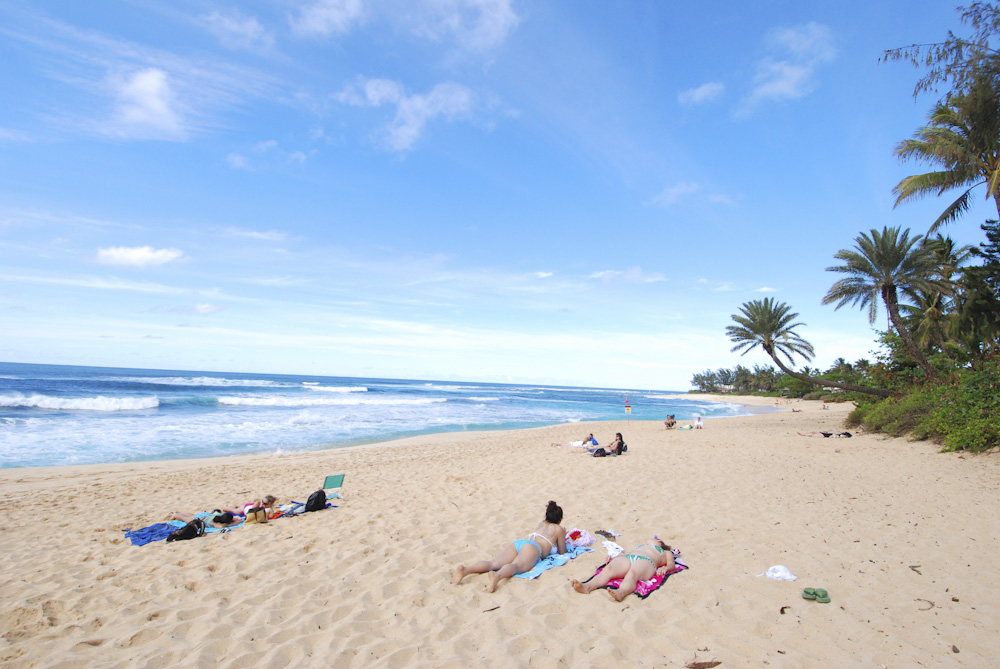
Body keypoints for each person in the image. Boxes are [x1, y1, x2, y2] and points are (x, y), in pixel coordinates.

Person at [452, 501, 567, 592]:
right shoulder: (559, 529)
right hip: (533, 548)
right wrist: (564, 535)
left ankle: (466, 570)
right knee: (515, 566)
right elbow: (563, 552)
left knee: (493, 563)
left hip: (521, 542)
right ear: (559, 520)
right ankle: (497, 576)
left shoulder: (542, 523)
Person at [571, 536, 675, 601]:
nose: (649, 540)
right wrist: (613, 558)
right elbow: (628, 554)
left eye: (654, 538)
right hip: (629, 557)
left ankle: (621, 592)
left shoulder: (665, 552)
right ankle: (587, 587)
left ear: (659, 541)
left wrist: (665, 568)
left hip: (647, 560)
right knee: (609, 568)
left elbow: (671, 564)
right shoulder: (641, 546)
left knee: (632, 574)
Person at [167, 509, 242, 528]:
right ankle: (175, 515)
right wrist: (228, 525)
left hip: (204, 516)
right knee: (185, 518)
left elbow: (237, 520)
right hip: (199, 519)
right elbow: (221, 526)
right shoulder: (214, 522)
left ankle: (179, 513)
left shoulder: (220, 516)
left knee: (190, 515)